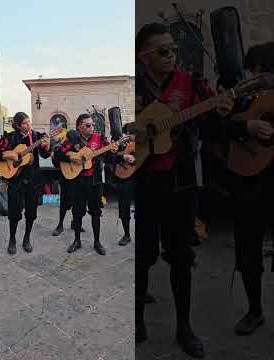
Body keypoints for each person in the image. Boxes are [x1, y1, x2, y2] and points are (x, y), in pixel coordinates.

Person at [134, 23, 234, 358]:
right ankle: (136, 319)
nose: (172, 56)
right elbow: (122, 130)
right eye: (163, 51)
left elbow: (214, 129)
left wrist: (221, 113)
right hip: (144, 182)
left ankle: (184, 327)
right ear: (143, 56)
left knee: (181, 257)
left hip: (181, 183)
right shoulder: (133, 88)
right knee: (143, 254)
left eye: (173, 49)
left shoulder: (192, 84)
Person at [224, 42, 274, 336]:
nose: (254, 77)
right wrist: (246, 129)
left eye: (260, 71)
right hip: (249, 180)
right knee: (248, 250)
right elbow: (217, 128)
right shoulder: (242, 97)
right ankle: (255, 310)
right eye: (252, 71)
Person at [54, 113, 128, 255]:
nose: (92, 127)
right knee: (76, 212)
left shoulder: (100, 139)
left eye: (93, 125)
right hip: (77, 182)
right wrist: (72, 159)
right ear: (79, 127)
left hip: (95, 181)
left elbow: (109, 157)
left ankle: (97, 242)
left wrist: (113, 151)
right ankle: (77, 240)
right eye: (88, 125)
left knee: (96, 212)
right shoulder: (72, 139)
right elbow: (57, 154)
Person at [0, 112, 51, 255]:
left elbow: (45, 155)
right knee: (13, 213)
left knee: (31, 213)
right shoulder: (10, 137)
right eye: (24, 123)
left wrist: (47, 146)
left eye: (29, 122)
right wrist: (11, 154)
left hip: (33, 182)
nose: (28, 125)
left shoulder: (37, 137)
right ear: (18, 126)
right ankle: (12, 239)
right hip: (15, 181)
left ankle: (26, 238)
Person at [51, 130, 85, 236]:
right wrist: (71, 159)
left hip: (79, 178)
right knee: (65, 203)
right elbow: (57, 156)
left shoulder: (82, 144)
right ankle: (60, 225)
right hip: (66, 178)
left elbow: (86, 157)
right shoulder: (63, 145)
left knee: (80, 204)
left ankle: (75, 223)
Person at [116, 122, 135, 246]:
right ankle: (126, 234)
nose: (129, 135)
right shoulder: (122, 145)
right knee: (124, 206)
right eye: (129, 133)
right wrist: (124, 157)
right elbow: (111, 158)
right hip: (125, 178)